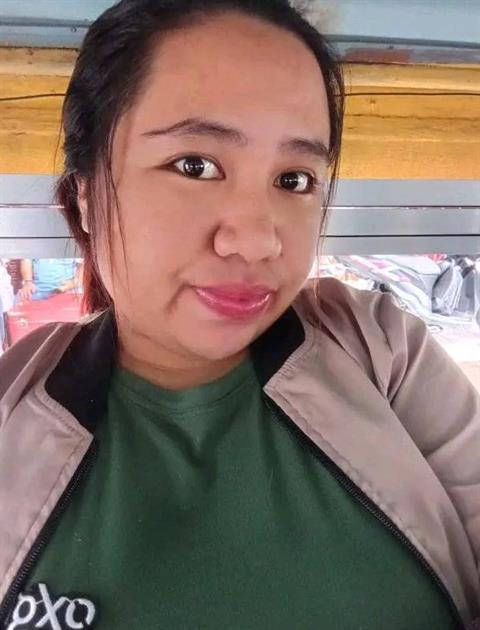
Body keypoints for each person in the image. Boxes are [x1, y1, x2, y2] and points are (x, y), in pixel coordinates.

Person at [0, 1, 479, 628]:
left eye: (294, 179)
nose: (258, 242)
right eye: (195, 166)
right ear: (87, 195)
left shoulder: (379, 350)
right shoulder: (11, 419)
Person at [17, 258, 84, 302]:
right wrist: (28, 282)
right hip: (37, 290)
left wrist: (73, 283)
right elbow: (26, 260)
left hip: (67, 291)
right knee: (19, 300)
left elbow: (83, 264)